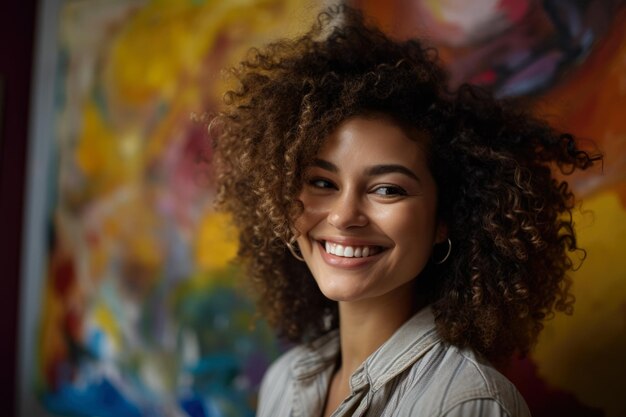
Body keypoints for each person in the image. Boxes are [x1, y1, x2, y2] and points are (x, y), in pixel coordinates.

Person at [210, 6, 600, 417]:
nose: (344, 216)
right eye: (322, 183)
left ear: (443, 220)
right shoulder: (284, 380)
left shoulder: (467, 403)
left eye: (388, 189)